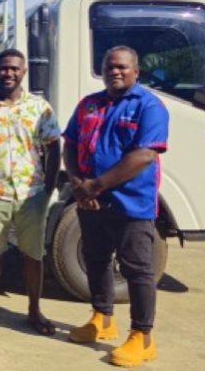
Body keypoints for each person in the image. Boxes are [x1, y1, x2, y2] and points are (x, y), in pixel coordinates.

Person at [64, 46, 169, 367]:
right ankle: (102, 318)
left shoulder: (148, 106)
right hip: (90, 201)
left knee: (137, 269)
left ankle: (142, 337)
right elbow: (70, 142)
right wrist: (79, 184)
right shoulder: (89, 104)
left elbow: (144, 155)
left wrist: (95, 185)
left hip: (131, 203)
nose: (115, 71)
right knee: (96, 260)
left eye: (122, 67)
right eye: (110, 67)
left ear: (136, 71)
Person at [0, 49, 61, 335]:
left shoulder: (39, 107)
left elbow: (54, 146)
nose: (9, 73)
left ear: (24, 71)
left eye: (15, 69)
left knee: (33, 257)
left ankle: (34, 311)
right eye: (4, 68)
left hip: (31, 194)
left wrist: (49, 188)